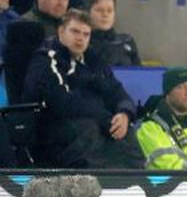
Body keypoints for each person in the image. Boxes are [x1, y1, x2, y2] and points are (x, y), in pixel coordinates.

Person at [22, 9, 142, 168]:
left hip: (93, 121)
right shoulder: (46, 59)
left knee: (124, 131)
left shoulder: (93, 60)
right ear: (61, 32)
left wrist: (124, 114)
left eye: (86, 34)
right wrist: (105, 118)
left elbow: (117, 92)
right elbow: (63, 102)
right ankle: (96, 182)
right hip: (51, 126)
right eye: (75, 32)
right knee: (90, 129)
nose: (80, 38)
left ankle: (136, 182)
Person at [85, 0, 140, 67]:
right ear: (88, 12)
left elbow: (140, 75)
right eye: (100, 10)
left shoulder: (127, 41)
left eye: (109, 11)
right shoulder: (82, 43)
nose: (105, 15)